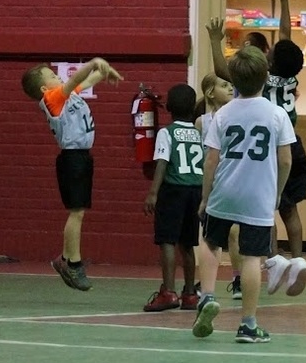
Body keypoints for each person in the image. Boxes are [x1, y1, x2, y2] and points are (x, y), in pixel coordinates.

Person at [208, 0, 306, 295]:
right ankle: (298, 261)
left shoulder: (263, 80)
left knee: (264, 208)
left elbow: (225, 71)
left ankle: (273, 259)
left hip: (268, 142)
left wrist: (215, 40)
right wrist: (284, 2)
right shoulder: (291, 77)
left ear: (270, 63)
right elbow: (286, 39)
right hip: (293, 142)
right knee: (290, 210)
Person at [192, 45, 297, 343]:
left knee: (212, 243)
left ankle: (207, 295)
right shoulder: (277, 114)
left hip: (224, 192)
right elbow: (286, 160)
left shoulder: (223, 114)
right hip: (258, 196)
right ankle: (248, 324)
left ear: (233, 81)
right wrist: (276, 193)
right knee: (252, 257)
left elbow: (211, 160)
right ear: (266, 76)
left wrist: (205, 197)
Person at [21, 57, 123, 291]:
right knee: (76, 212)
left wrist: (104, 70)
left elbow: (88, 80)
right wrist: (94, 62)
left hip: (82, 156)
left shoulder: (68, 96)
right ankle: (74, 263)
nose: (59, 77)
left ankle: (65, 259)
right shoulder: (53, 98)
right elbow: (78, 77)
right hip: (72, 158)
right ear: (45, 88)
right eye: (54, 76)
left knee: (80, 212)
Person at [142, 84, 203, 311]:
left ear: (168, 107)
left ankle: (168, 292)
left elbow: (162, 163)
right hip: (195, 189)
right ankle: (189, 294)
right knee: (188, 244)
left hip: (173, 189)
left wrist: (153, 193)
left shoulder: (166, 133)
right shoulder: (198, 134)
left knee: (167, 240)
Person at [194, 62, 245, 300]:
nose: (229, 89)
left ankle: (237, 278)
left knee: (234, 233)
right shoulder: (202, 121)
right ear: (210, 92)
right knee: (210, 237)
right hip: (211, 182)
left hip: (231, 179)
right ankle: (206, 282)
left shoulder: (235, 117)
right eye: (224, 85)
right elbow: (202, 156)